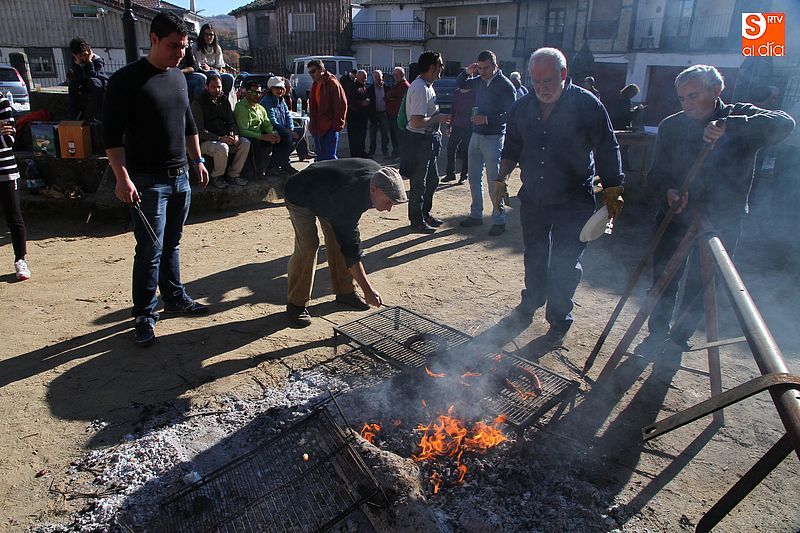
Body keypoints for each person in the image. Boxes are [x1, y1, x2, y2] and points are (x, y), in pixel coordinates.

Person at [640, 65, 794, 353]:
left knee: (704, 283)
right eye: (682, 98)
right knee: (664, 277)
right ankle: (656, 333)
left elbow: (785, 123)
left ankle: (679, 337)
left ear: (716, 91)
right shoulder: (671, 126)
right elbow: (656, 174)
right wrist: (668, 191)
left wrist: (730, 126)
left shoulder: (739, 116)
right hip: (676, 215)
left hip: (722, 218)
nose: (686, 104)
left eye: (694, 96)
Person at [500, 48, 623, 348]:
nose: (542, 87)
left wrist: (613, 188)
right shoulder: (523, 107)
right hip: (534, 198)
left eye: (548, 80)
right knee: (535, 255)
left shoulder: (587, 105)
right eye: (536, 81)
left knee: (565, 264)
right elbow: (512, 147)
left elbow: (607, 147)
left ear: (564, 75)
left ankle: (559, 319)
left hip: (574, 199)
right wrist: (497, 178)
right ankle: (531, 303)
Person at [103, 11, 211, 347]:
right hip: (146, 182)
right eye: (173, 46)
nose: (180, 52)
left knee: (173, 243)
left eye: (183, 46)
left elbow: (188, 123)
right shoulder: (125, 80)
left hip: (181, 178)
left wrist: (197, 160)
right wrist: (122, 178)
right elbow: (111, 136)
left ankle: (175, 296)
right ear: (153, 39)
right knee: (149, 249)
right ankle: (145, 314)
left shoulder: (179, 76)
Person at [283, 159, 408, 327]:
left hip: (329, 196)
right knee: (309, 245)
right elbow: (352, 251)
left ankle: (345, 292)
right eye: (388, 202)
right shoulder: (350, 197)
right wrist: (368, 290)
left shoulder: (380, 177)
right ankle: (296, 304)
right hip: (300, 193)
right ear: (374, 189)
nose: (389, 209)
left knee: (338, 242)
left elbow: (346, 239)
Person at [456, 50, 517, 236]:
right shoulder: (480, 80)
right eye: (480, 68)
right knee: (474, 178)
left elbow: (512, 114)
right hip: (476, 135)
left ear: (495, 66)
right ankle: (476, 214)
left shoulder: (506, 85)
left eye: (485, 68)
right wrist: (467, 71)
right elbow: (461, 84)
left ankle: (499, 219)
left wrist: (488, 119)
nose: (482, 72)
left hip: (494, 137)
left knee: (494, 181)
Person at [401, 50, 451, 234]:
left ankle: (424, 213)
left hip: (427, 141)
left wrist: (439, 120)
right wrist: (438, 119)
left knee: (432, 181)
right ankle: (416, 220)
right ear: (432, 67)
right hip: (418, 141)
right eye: (440, 65)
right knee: (419, 184)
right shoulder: (420, 88)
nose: (442, 69)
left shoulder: (428, 85)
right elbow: (416, 121)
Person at [191, 73, 251, 188]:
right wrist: (219, 138)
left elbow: (231, 121)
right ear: (206, 87)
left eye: (219, 87)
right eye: (213, 87)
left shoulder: (224, 100)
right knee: (222, 148)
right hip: (206, 141)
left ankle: (233, 174)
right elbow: (200, 130)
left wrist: (235, 135)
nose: (217, 90)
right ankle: (216, 176)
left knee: (245, 143)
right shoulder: (198, 103)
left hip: (225, 137)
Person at [0, 94, 30, 281]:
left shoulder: (1, 101)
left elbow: (8, 141)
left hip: (5, 169)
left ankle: (21, 260)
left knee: (14, 216)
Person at [234, 80, 281, 176]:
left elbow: (266, 124)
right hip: (247, 137)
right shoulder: (241, 108)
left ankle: (274, 168)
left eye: (260, 92)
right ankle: (258, 172)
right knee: (255, 143)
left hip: (259, 134)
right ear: (247, 93)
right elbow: (243, 131)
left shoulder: (260, 108)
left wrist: (272, 134)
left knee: (283, 138)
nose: (258, 95)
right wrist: (262, 137)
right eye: (255, 92)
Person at [259, 76, 303, 175]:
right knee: (286, 137)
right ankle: (275, 166)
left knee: (300, 131)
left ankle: (283, 161)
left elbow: (287, 115)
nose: (279, 90)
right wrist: (288, 131)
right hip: (271, 129)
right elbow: (272, 121)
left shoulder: (281, 100)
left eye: (281, 88)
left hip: (283, 129)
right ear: (271, 89)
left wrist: (290, 128)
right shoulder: (267, 101)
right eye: (276, 88)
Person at [307, 59, 347, 161]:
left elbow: (341, 105)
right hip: (318, 127)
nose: (311, 74)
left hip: (329, 127)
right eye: (309, 72)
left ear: (321, 69)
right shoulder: (315, 85)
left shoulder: (332, 83)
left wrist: (336, 125)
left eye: (313, 71)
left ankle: (335, 176)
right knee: (320, 157)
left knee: (330, 157)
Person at [67, 37, 108, 122]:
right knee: (72, 85)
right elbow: (76, 78)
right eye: (80, 56)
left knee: (93, 82)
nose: (83, 58)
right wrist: (78, 65)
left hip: (98, 83)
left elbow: (92, 75)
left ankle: (100, 115)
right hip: (85, 84)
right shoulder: (75, 61)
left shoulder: (97, 60)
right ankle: (74, 115)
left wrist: (89, 62)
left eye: (84, 55)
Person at [443, 83, 475, 184]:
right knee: (451, 148)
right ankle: (450, 173)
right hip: (457, 125)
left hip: (469, 127)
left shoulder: (474, 93)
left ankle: (464, 175)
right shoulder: (457, 93)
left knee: (465, 151)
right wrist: (449, 125)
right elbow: (453, 109)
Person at [192, 23, 234, 96]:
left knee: (229, 77)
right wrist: (207, 69)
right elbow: (197, 66)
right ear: (202, 35)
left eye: (211, 35)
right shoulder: (196, 47)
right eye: (206, 34)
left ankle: (223, 101)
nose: (209, 37)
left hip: (215, 73)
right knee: (208, 75)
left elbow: (220, 67)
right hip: (201, 73)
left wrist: (210, 68)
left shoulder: (217, 48)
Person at [384, 66, 409, 159]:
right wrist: (390, 98)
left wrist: (391, 98)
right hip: (392, 115)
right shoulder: (396, 85)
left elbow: (400, 101)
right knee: (393, 136)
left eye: (397, 75)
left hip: (399, 116)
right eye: (394, 75)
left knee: (399, 137)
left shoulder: (405, 86)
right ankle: (395, 154)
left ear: (403, 75)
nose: (395, 77)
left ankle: (400, 156)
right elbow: (386, 97)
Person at [346, 70, 370, 158]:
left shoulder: (364, 87)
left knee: (362, 136)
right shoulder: (352, 86)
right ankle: (355, 155)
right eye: (363, 78)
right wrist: (361, 103)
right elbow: (350, 100)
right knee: (354, 137)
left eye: (366, 78)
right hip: (354, 116)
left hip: (362, 116)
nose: (365, 79)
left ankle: (361, 152)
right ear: (358, 77)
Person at [367, 69, 390, 157]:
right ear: (373, 78)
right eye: (375, 77)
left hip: (384, 114)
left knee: (385, 134)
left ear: (382, 77)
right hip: (374, 114)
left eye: (379, 77)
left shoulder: (387, 88)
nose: (377, 78)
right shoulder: (369, 90)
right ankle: (372, 151)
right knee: (372, 134)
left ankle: (385, 151)